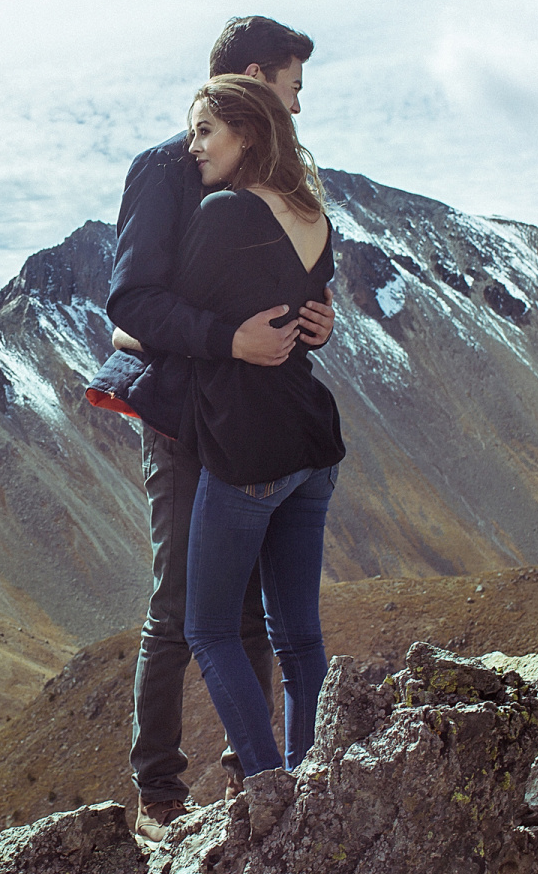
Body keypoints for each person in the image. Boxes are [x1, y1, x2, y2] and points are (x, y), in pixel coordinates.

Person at [88, 16, 334, 843]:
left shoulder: (279, 186)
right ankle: (160, 794)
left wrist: (314, 319)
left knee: (254, 615)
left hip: (249, 417)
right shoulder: (167, 170)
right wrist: (227, 337)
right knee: (180, 606)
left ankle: (249, 778)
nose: (297, 109)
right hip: (180, 415)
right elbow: (131, 309)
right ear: (257, 83)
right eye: (291, 89)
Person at [173, 75, 342, 780]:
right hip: (313, 446)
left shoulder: (226, 215)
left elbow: (157, 321)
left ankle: (270, 789)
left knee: (208, 629)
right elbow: (307, 313)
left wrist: (126, 337)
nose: (194, 146)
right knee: (299, 634)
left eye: (205, 130)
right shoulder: (312, 214)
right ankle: (310, 784)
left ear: (246, 133)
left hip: (251, 448)